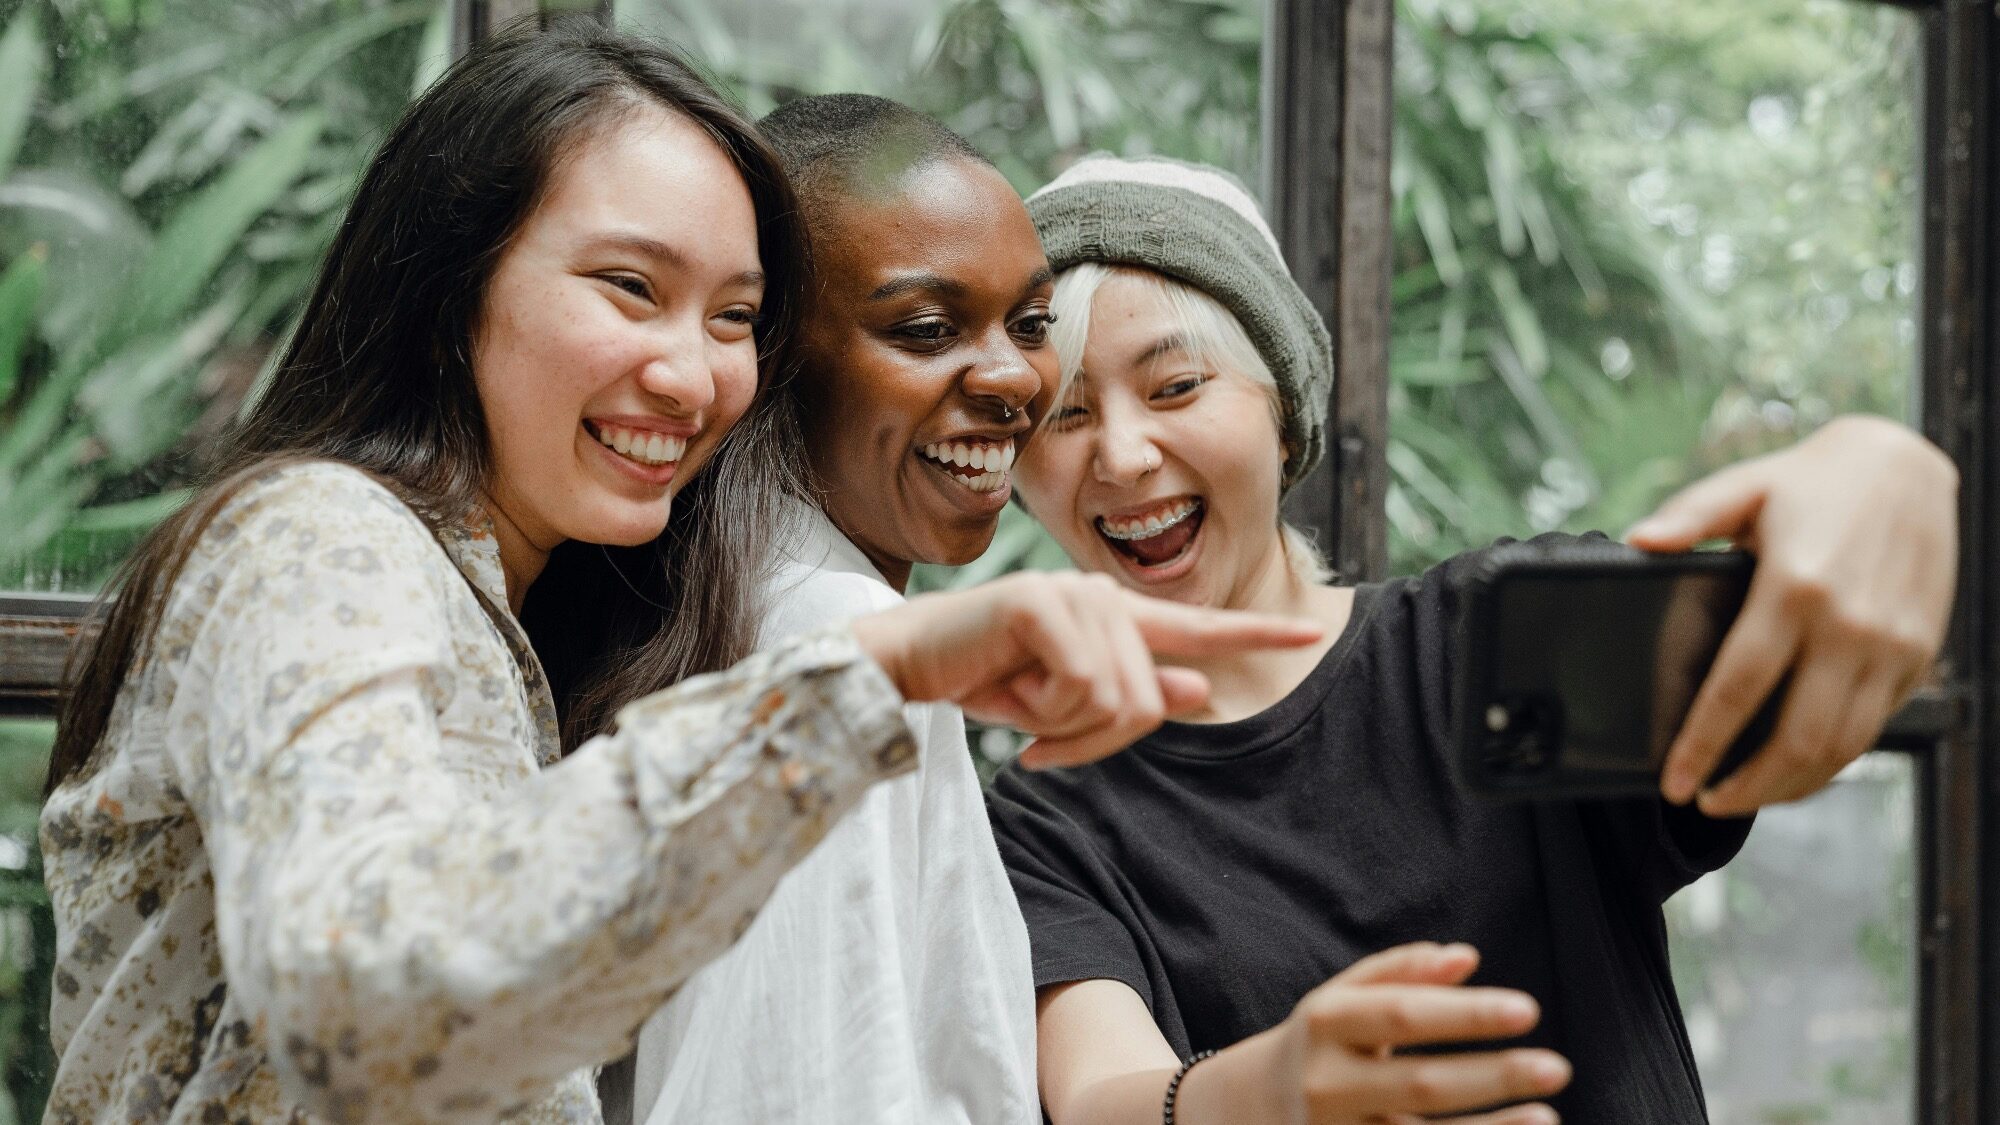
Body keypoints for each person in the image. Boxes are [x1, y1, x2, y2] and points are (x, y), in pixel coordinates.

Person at [36, 33, 1319, 1122]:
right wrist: (867, 682)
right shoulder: (317, 537)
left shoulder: (517, 612)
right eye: (628, 288)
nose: (691, 372)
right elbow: (358, 999)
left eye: (730, 318)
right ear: (449, 290)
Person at [985, 154, 1959, 1124]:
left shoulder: (1510, 635)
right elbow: (1095, 1094)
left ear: (1280, 415)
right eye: (1061, 415)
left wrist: (1882, 468)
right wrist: (1269, 1091)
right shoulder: (1045, 806)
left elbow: (1790, 637)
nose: (1118, 454)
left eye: (1175, 386)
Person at [629, 94, 1055, 1125]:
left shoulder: (745, 608)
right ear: (771, 359)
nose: (1010, 376)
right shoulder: (837, 645)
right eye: (923, 328)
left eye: (1033, 322)